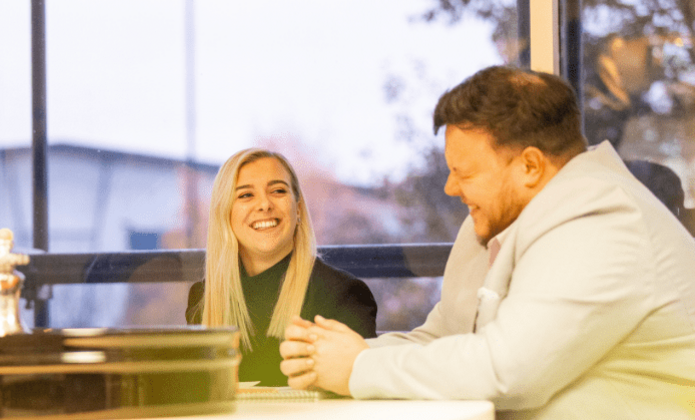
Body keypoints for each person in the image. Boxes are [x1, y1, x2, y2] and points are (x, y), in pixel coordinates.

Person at [280, 66, 695, 419]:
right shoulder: (494, 220)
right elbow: (443, 339)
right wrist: (331, 355)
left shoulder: (603, 219)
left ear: (530, 166)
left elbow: (509, 371)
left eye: (465, 173)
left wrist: (359, 367)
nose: (450, 188)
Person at [186, 148, 377, 386]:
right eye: (246, 195)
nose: (264, 204)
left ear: (298, 208)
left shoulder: (343, 294)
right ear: (225, 213)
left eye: (277, 191)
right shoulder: (202, 298)